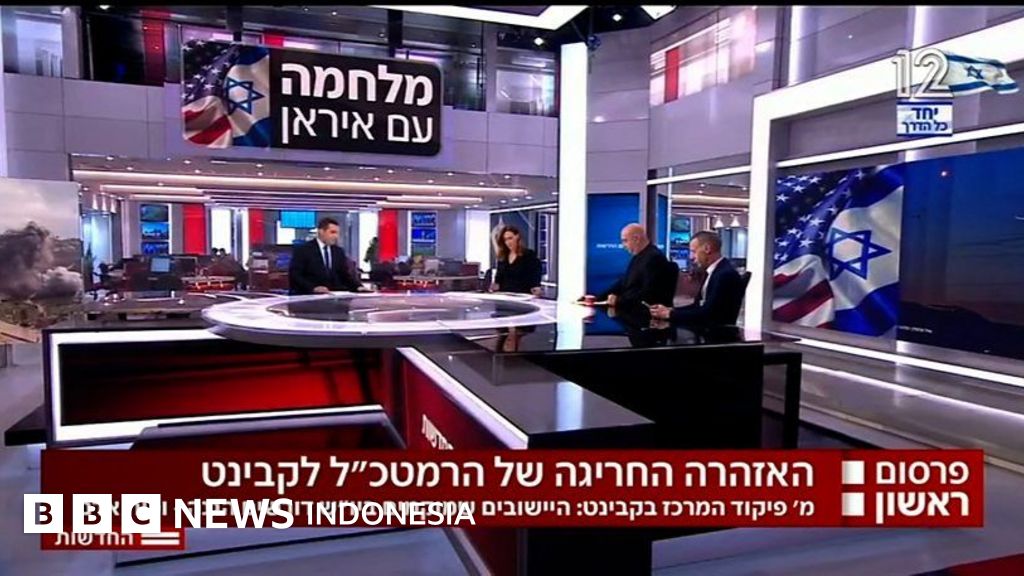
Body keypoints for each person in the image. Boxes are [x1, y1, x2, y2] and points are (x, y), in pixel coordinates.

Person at [649, 231, 745, 326]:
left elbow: (708, 314)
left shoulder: (725, 275)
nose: (691, 257)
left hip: (715, 332)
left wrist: (670, 314)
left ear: (707, 249)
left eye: (693, 252)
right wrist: (671, 310)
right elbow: (697, 306)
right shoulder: (714, 271)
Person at [583, 223, 673, 308]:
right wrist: (598, 298)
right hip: (631, 308)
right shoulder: (639, 256)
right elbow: (623, 283)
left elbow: (648, 294)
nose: (623, 246)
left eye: (625, 241)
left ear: (636, 239)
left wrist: (619, 301)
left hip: (642, 314)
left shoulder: (654, 258)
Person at [288, 217, 361, 295]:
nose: (336, 236)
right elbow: (295, 276)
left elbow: (344, 275)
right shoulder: (304, 250)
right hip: (308, 296)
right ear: (321, 232)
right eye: (332, 232)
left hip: (332, 297)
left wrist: (358, 287)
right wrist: (313, 288)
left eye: (337, 233)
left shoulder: (338, 251)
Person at [491, 225, 543, 295]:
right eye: (505, 240)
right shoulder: (503, 257)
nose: (508, 242)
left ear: (517, 237)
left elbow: (535, 276)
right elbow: (498, 279)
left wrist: (536, 288)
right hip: (504, 295)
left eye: (510, 238)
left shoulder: (529, 255)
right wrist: (493, 286)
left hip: (523, 295)